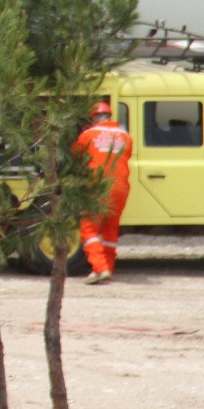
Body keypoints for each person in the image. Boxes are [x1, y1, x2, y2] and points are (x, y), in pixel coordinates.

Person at [73, 98, 133, 285]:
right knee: (110, 229)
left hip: (98, 185)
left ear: (93, 118)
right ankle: (107, 268)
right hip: (121, 187)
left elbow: (76, 154)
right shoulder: (125, 136)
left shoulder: (89, 134)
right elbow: (127, 155)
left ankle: (100, 267)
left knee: (89, 227)